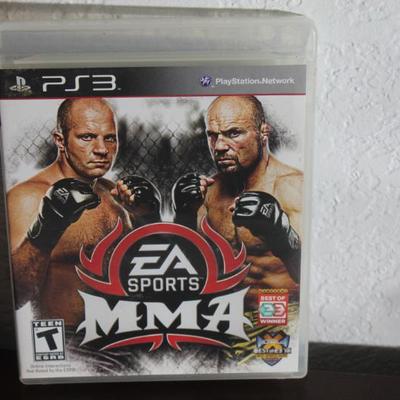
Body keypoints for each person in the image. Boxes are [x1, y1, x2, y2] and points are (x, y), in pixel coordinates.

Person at [7, 98, 161, 328]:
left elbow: (149, 275)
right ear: (60, 140)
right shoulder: (27, 197)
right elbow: (15, 296)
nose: (102, 150)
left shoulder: (114, 193)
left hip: (126, 335)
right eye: (87, 137)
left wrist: (148, 219)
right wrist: (47, 229)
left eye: (110, 138)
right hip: (69, 340)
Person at [172, 95, 302, 310]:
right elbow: (191, 272)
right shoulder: (208, 193)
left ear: (263, 132)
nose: (219, 146)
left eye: (233, 133)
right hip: (223, 314)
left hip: (279, 314)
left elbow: (309, 274)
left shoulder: (293, 187)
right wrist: (184, 217)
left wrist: (281, 234)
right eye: (212, 136)